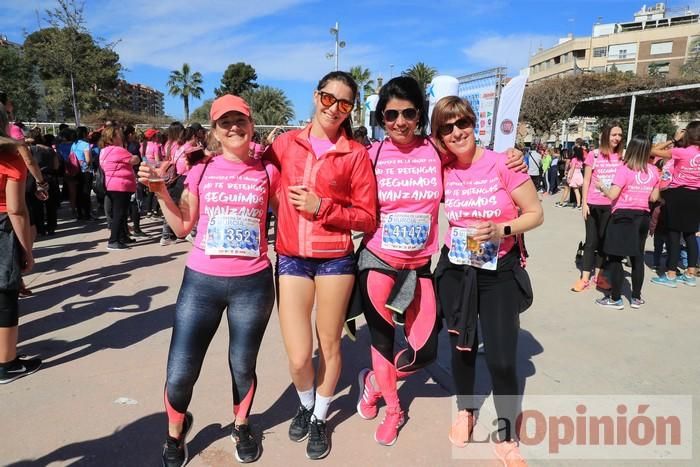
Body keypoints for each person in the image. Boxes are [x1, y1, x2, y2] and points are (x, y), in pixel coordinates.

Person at [351, 77, 527, 448]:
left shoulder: (437, 153)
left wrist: (514, 156)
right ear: (381, 117)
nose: (400, 121)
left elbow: (472, 159)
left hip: (421, 266)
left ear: (419, 116)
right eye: (391, 114)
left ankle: (373, 381)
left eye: (409, 113)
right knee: (382, 343)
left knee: (425, 349)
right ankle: (393, 408)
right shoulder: (371, 155)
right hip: (378, 260)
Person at [139, 94, 279, 465]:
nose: (234, 127)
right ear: (215, 130)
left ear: (251, 124)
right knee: (181, 370)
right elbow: (183, 225)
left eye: (240, 120)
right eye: (224, 122)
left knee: (243, 364)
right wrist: (160, 192)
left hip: (253, 283)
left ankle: (241, 424)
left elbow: (289, 215)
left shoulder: (268, 171)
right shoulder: (201, 170)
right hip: (202, 282)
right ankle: (174, 433)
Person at [263, 71, 378, 460]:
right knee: (299, 356)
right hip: (292, 258)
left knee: (328, 344)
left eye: (344, 104)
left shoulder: (356, 154)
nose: (334, 109)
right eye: (328, 99)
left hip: (335, 261)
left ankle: (320, 416)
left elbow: (367, 217)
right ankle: (305, 401)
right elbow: (252, 173)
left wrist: (322, 208)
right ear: (316, 96)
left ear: (351, 110)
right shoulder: (283, 144)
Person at [430, 96, 542, 465]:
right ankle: (466, 411)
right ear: (440, 136)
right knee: (461, 347)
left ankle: (507, 433)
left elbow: (535, 213)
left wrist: (501, 228)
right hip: (457, 269)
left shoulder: (501, 163)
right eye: (447, 128)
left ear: (473, 124)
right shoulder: (442, 168)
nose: (456, 132)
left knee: (502, 357)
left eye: (461, 123)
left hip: (499, 271)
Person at [0, 104, 40, 384]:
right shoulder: (10, 157)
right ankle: (6, 363)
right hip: (3, 227)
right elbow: (15, 209)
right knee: (5, 297)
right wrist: (26, 250)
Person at [595, 135, 660, 309]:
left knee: (616, 256)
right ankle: (636, 297)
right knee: (637, 256)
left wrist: (602, 186)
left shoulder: (624, 169)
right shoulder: (654, 171)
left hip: (623, 216)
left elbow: (613, 195)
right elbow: (654, 197)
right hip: (643, 216)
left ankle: (615, 298)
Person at [571, 123, 624, 292]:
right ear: (606, 135)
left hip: (611, 206)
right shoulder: (594, 155)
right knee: (590, 242)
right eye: (614, 134)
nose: (617, 138)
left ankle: (599, 277)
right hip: (593, 204)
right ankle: (584, 278)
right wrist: (584, 203)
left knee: (604, 243)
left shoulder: (622, 156)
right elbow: (586, 180)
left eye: (620, 135)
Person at [650, 122, 700, 287]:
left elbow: (652, 151)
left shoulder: (680, 152)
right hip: (696, 195)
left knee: (673, 233)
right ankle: (690, 274)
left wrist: (673, 139)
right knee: (690, 234)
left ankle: (671, 274)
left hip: (678, 194)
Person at [99, 125, 140, 251]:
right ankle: (114, 240)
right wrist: (134, 155)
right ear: (113, 137)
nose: (121, 137)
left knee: (120, 213)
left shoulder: (104, 151)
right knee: (120, 214)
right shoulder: (118, 150)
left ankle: (122, 236)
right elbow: (135, 160)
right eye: (119, 135)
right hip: (121, 185)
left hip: (111, 185)